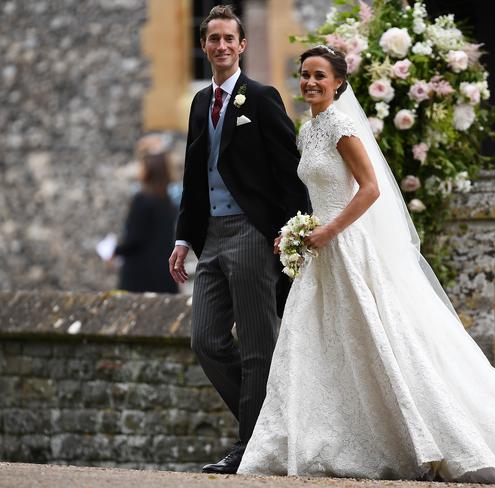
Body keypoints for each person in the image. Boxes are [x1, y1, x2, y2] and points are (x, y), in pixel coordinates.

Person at [237, 45, 495, 487]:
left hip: (347, 245)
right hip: (321, 249)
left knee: (379, 340)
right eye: (304, 75)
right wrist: (301, 232)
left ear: (339, 81)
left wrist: (330, 230)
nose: (310, 83)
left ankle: (416, 435)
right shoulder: (308, 128)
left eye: (320, 75)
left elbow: (370, 188)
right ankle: (318, 438)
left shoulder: (340, 125)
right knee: (317, 340)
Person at [167, 5, 310, 474]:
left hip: (252, 235)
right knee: (206, 340)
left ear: (242, 45)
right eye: (214, 39)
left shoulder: (262, 97)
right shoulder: (196, 103)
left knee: (257, 345)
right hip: (210, 237)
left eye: (230, 39)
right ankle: (269, 424)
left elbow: (290, 174)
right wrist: (183, 240)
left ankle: (250, 446)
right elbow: (192, 176)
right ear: (204, 46)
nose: (222, 46)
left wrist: (290, 234)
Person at [113, 152, 178, 294]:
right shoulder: (168, 203)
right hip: (163, 273)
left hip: (140, 274)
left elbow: (134, 238)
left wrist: (115, 251)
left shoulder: (142, 200)